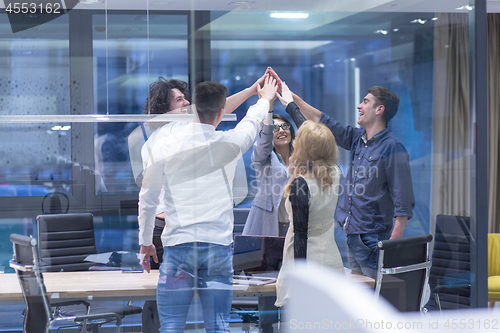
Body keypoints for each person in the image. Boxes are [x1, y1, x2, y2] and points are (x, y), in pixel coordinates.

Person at [131, 75, 271, 332]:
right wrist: (264, 99)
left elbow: (147, 199)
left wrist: (145, 240)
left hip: (178, 246)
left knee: (172, 326)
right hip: (217, 246)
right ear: (220, 113)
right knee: (218, 327)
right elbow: (250, 122)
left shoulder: (163, 145)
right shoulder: (229, 142)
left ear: (194, 109)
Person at [276, 76, 415, 279]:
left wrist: (391, 246)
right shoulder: (357, 139)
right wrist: (292, 101)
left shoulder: (393, 147)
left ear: (379, 110)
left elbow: (403, 200)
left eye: (365, 102)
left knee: (376, 300)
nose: (359, 106)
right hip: (353, 236)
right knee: (359, 299)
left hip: (374, 239)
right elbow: (323, 122)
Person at [274, 120, 344, 308]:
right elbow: (318, 139)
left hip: (305, 265)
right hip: (331, 260)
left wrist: (300, 281)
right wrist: (291, 106)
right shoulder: (335, 173)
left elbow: (300, 235)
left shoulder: (301, 185)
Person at [242, 93, 295, 237]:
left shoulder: (300, 158)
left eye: (285, 127)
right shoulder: (263, 157)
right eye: (275, 129)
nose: (282, 130)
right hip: (268, 222)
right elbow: (264, 141)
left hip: (294, 225)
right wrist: (269, 109)